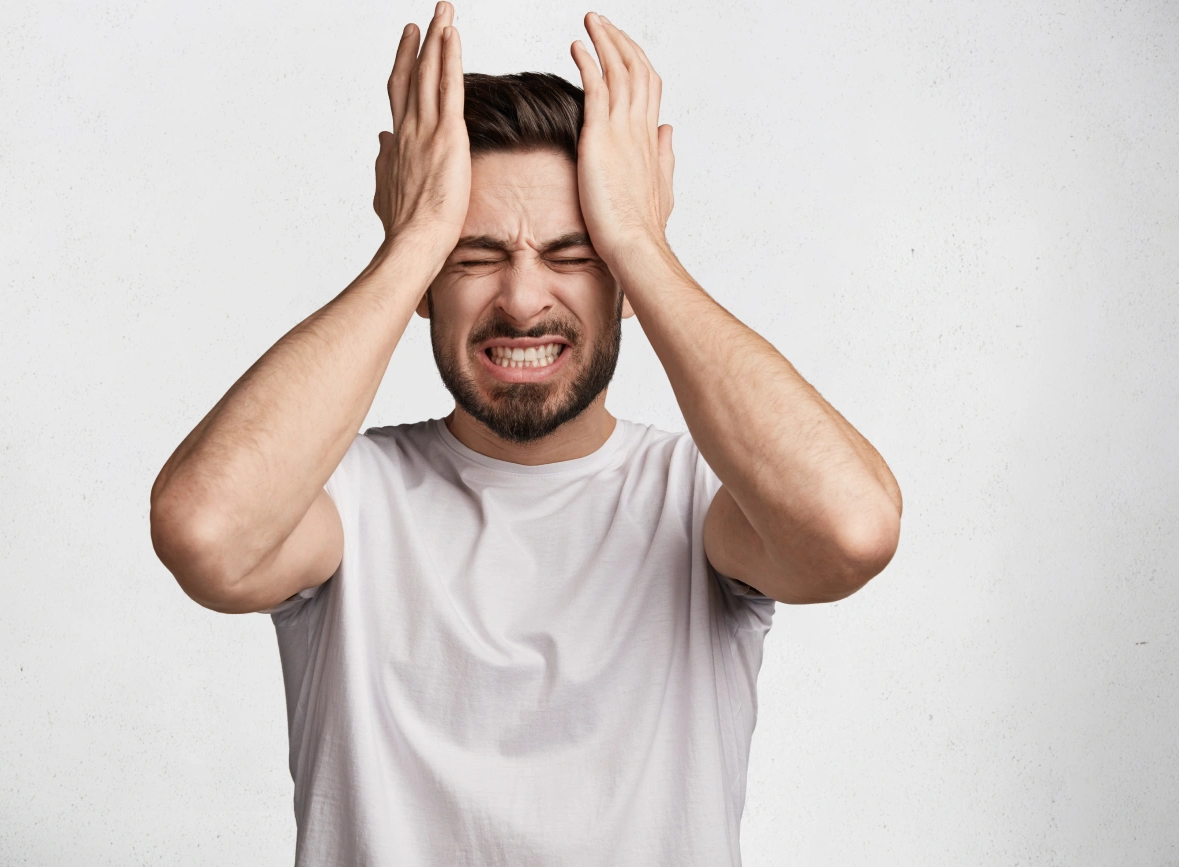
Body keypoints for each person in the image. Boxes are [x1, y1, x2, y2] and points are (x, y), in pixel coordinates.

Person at [149, 4, 902, 864]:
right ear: (428, 285)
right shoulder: (345, 502)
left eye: (573, 255)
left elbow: (853, 530)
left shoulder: (700, 502)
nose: (521, 299)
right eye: (473, 257)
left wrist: (641, 244)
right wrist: (412, 240)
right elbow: (203, 529)